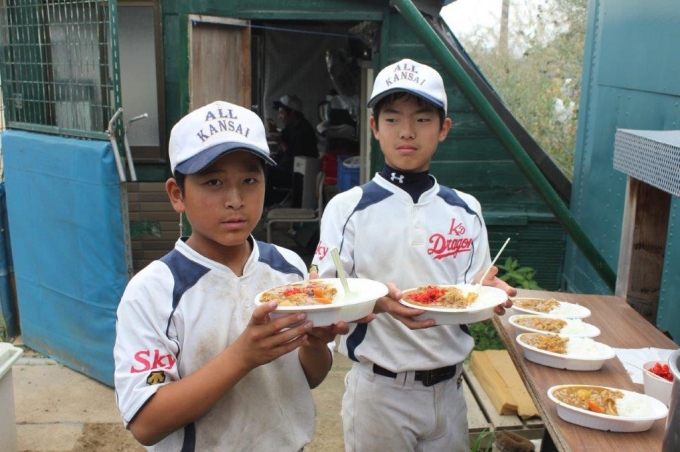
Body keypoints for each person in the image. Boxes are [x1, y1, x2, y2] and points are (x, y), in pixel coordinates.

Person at [113, 100, 353, 451]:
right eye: (213, 181)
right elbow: (146, 424)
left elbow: (309, 378)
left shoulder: (288, 268)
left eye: (250, 180)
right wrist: (242, 356)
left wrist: (315, 343)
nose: (235, 199)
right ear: (177, 194)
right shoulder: (154, 291)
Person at [310, 58, 517, 451]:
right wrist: (379, 301)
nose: (407, 131)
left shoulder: (465, 209)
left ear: (444, 129)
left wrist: (490, 290)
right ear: (374, 127)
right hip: (380, 393)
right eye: (392, 119)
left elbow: (473, 287)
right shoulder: (348, 206)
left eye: (422, 119)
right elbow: (324, 293)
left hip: (451, 391)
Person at [266, 94, 318, 206]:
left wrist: (280, 141)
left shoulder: (304, 131)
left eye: (282, 113)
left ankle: (270, 204)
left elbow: (292, 157)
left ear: (292, 113)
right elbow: (282, 141)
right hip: (287, 167)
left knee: (266, 173)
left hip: (298, 176)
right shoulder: (290, 127)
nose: (280, 117)